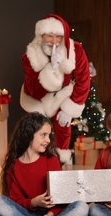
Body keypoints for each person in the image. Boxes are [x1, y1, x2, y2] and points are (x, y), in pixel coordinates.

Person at [0, 112, 89, 216]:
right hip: (28, 214)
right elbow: (15, 200)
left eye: (49, 135)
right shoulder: (13, 167)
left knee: (82, 207)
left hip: (52, 215)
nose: (48, 140)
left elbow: (60, 199)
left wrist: (49, 215)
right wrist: (33, 202)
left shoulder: (52, 160)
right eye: (43, 135)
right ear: (29, 135)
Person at [20, 14, 91, 164]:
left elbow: (83, 80)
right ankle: (34, 161)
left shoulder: (75, 50)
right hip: (37, 96)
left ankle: (60, 162)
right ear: (41, 35)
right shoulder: (30, 55)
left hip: (62, 93)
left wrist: (70, 107)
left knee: (63, 126)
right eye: (49, 36)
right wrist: (51, 70)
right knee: (35, 129)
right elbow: (33, 89)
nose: (54, 41)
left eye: (58, 36)